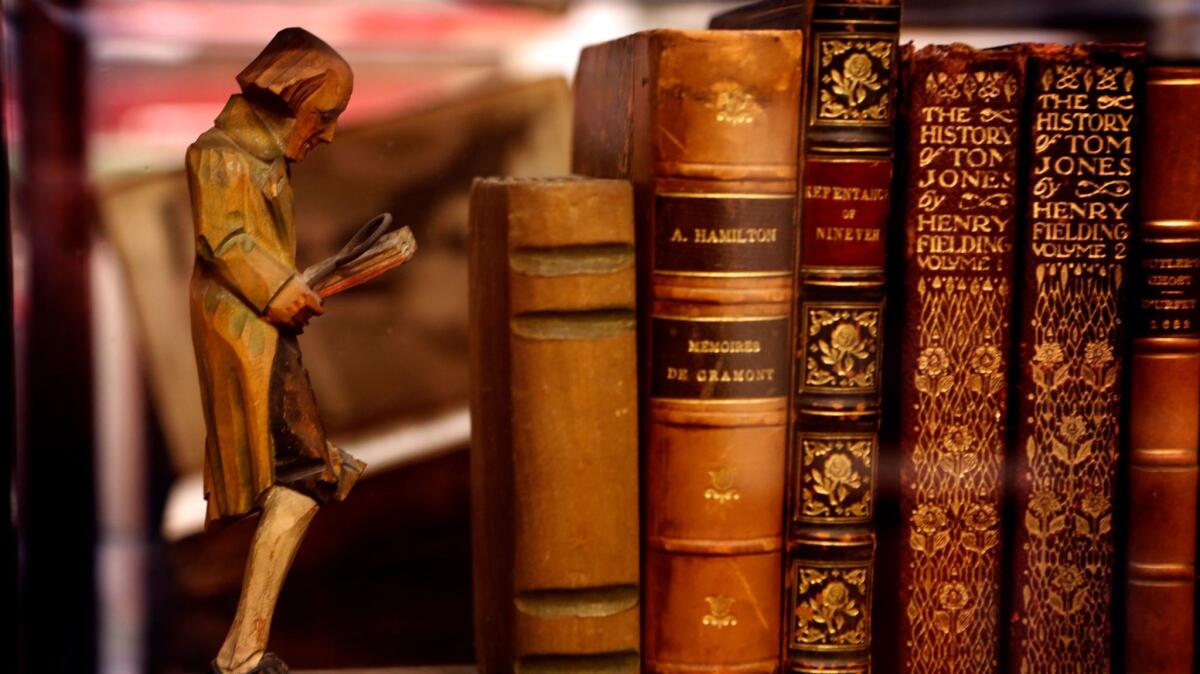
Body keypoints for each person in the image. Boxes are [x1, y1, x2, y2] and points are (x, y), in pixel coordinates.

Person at [186, 27, 364, 674]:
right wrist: (279, 288)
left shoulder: (259, 160)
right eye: (326, 115)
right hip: (246, 341)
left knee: (305, 481)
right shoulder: (220, 154)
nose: (329, 134)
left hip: (267, 338)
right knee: (303, 480)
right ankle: (241, 652)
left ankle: (243, 649)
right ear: (290, 99)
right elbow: (223, 240)